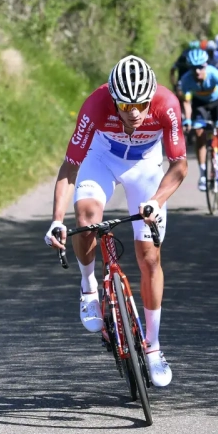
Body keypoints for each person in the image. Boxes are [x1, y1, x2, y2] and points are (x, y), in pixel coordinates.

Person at [44, 55, 187, 388]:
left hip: (146, 166)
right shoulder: (95, 105)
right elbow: (69, 168)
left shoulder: (166, 104)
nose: (133, 112)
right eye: (125, 104)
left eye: (140, 103)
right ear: (113, 98)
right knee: (87, 217)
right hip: (101, 158)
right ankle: (88, 286)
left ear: (151, 96)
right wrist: (55, 220)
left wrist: (155, 201)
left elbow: (179, 166)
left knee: (150, 257)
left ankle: (153, 347)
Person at [178, 48, 218, 191]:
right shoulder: (186, 80)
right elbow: (186, 102)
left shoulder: (214, 74)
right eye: (193, 68)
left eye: (200, 67)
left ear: (205, 65)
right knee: (199, 134)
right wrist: (187, 119)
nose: (197, 71)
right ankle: (203, 174)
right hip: (200, 105)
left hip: (217, 103)